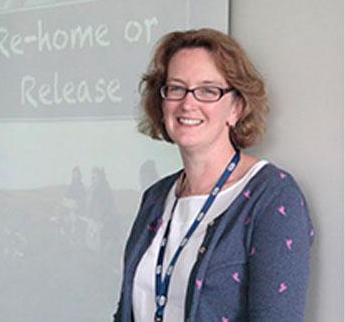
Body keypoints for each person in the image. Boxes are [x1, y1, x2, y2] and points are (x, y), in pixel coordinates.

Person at [114, 29, 314, 322]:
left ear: (236, 107)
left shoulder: (272, 197)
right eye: (176, 88)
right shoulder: (156, 197)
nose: (187, 103)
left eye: (208, 90)